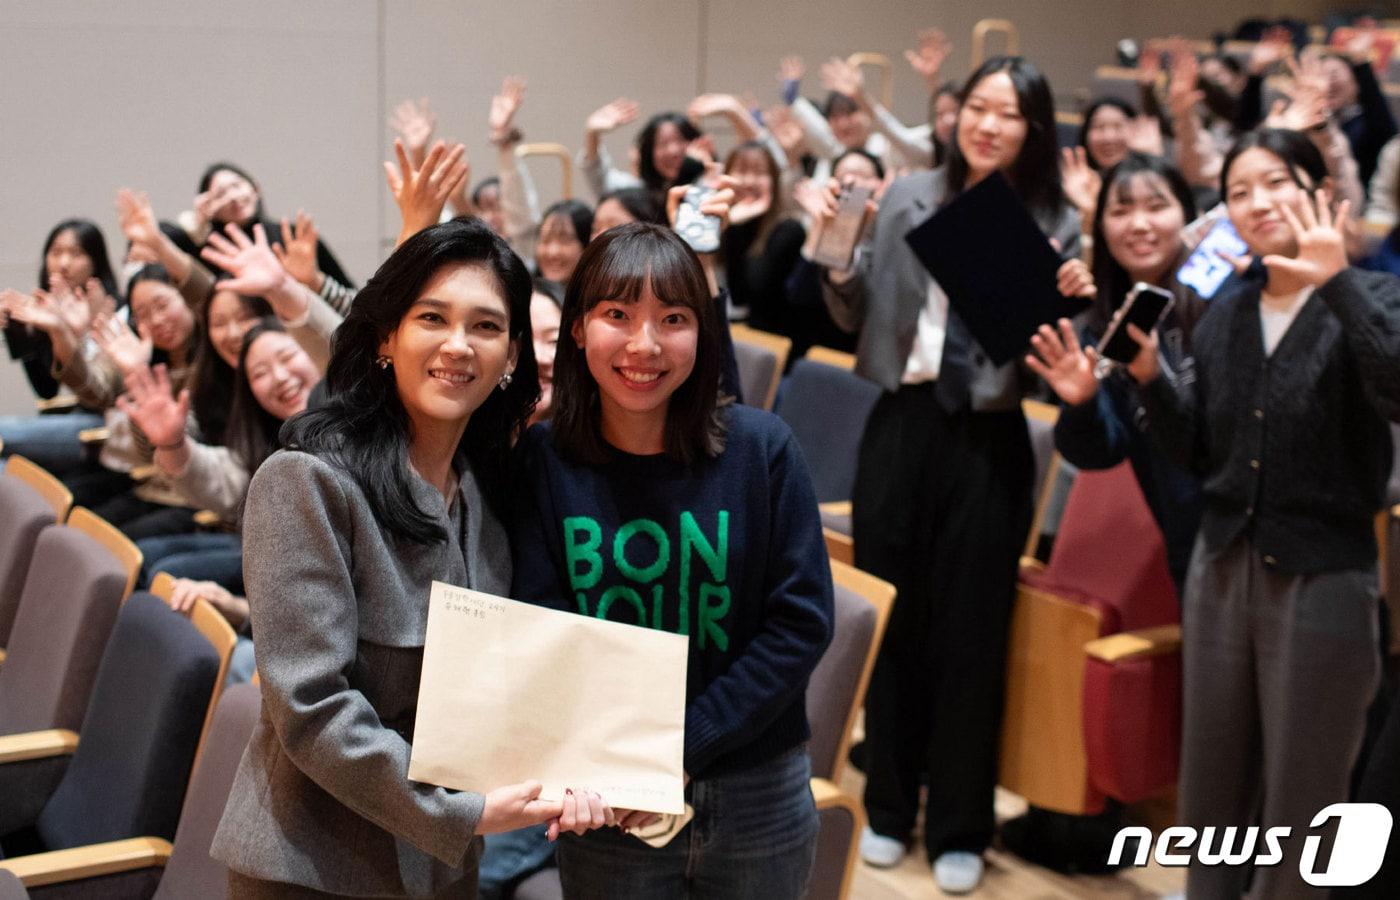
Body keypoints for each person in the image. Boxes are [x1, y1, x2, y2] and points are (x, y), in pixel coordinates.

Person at [210, 217, 614, 897]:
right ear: (387, 339)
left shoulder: (489, 488)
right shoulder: (304, 481)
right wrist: (464, 811)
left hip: (444, 866)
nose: (458, 346)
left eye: (486, 327)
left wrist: (589, 770)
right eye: (433, 318)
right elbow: (312, 707)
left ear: (513, 355)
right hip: (314, 867)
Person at [814, 54, 1089, 894]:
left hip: (992, 435)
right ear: (955, 114)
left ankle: (962, 822)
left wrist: (1068, 292)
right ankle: (891, 807)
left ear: (1031, 129)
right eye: (977, 106)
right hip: (902, 421)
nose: (988, 123)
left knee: (974, 630)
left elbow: (1051, 356)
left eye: (1008, 113)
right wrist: (835, 254)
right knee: (897, 619)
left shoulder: (1053, 219)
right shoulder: (904, 194)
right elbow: (852, 310)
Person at [511, 222, 834, 899]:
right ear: (577, 329)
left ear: (704, 331)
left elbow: (800, 622)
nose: (645, 344)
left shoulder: (762, 448)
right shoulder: (542, 462)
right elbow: (543, 625)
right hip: (610, 794)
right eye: (618, 315)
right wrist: (631, 760)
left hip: (757, 790)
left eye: (674, 318)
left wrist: (680, 750)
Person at [1135, 128, 1395, 899]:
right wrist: (1149, 375)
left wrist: (1338, 281)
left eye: (1275, 181)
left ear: (1321, 191)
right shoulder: (1226, 312)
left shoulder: (1375, 297)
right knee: (1212, 788)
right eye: (1238, 191)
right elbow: (1200, 451)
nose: (1255, 202)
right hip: (1220, 568)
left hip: (1323, 578)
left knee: (1303, 805)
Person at [0, 219, 119, 469]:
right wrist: (20, 333)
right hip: (69, 418)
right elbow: (47, 391)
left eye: (76, 254)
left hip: (104, 424)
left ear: (96, 260)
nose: (64, 263)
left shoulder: (112, 309)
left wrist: (75, 333)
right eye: (56, 253)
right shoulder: (47, 309)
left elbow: (104, 394)